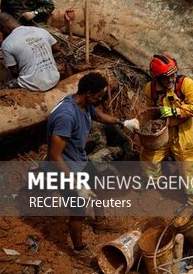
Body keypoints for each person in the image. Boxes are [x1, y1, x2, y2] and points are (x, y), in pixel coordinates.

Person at [46, 72, 139, 254]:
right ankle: (79, 249)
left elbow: (99, 116)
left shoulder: (84, 105)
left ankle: (100, 221)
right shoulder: (66, 116)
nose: (102, 98)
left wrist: (123, 122)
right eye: (100, 95)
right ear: (88, 93)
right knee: (77, 212)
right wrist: (76, 184)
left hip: (80, 162)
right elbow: (54, 156)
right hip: (65, 170)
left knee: (98, 187)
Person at [142, 54, 193, 204]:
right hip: (162, 131)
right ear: (156, 78)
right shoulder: (150, 89)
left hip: (182, 131)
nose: (170, 80)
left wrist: (175, 112)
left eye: (173, 75)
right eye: (165, 77)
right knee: (148, 157)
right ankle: (155, 182)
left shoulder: (186, 84)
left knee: (187, 168)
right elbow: (151, 110)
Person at [0, 12, 60, 91]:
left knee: (3, 89)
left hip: (33, 85)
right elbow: (57, 48)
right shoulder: (40, 30)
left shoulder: (6, 43)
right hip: (54, 79)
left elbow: (14, 71)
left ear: (4, 27)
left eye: (0, 30)